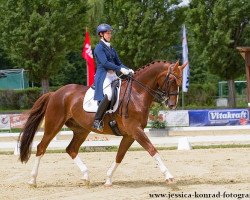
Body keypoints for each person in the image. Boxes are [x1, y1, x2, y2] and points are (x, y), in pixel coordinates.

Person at [93, 23, 134, 131]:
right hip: (103, 76)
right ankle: (97, 120)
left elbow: (119, 63)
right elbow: (105, 63)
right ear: (101, 34)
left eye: (110, 33)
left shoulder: (111, 48)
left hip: (113, 75)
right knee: (109, 95)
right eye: (108, 33)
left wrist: (127, 69)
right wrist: (120, 69)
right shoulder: (98, 48)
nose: (110, 35)